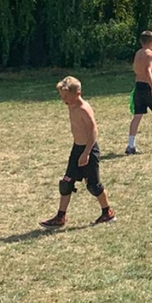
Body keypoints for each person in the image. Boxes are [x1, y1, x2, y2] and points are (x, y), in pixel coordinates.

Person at [41, 76, 115, 228]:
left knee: (93, 185)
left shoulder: (83, 109)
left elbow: (94, 131)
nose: (64, 100)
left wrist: (86, 153)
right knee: (66, 183)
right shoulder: (71, 105)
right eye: (62, 96)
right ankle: (60, 217)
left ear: (78, 94)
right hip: (77, 148)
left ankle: (107, 213)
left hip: (89, 150)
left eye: (66, 96)